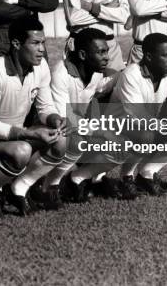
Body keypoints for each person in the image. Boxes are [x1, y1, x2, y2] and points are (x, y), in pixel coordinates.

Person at [0, 16, 66, 218]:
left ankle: (19, 188)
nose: (42, 49)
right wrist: (26, 134)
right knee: (22, 150)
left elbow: (45, 107)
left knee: (62, 141)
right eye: (35, 43)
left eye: (43, 43)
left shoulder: (40, 67)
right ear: (16, 44)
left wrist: (54, 119)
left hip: (13, 135)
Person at [41, 28, 120, 204]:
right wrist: (100, 131)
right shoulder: (61, 74)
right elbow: (63, 120)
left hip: (80, 128)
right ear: (83, 54)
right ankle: (49, 184)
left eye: (106, 51)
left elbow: (100, 90)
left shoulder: (97, 72)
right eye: (100, 52)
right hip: (53, 130)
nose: (106, 57)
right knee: (76, 140)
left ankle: (77, 179)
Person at [111, 33, 167, 198]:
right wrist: (163, 126)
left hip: (147, 123)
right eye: (165, 55)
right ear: (148, 56)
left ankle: (147, 174)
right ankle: (126, 177)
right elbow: (136, 115)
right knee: (146, 135)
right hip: (116, 126)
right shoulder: (131, 74)